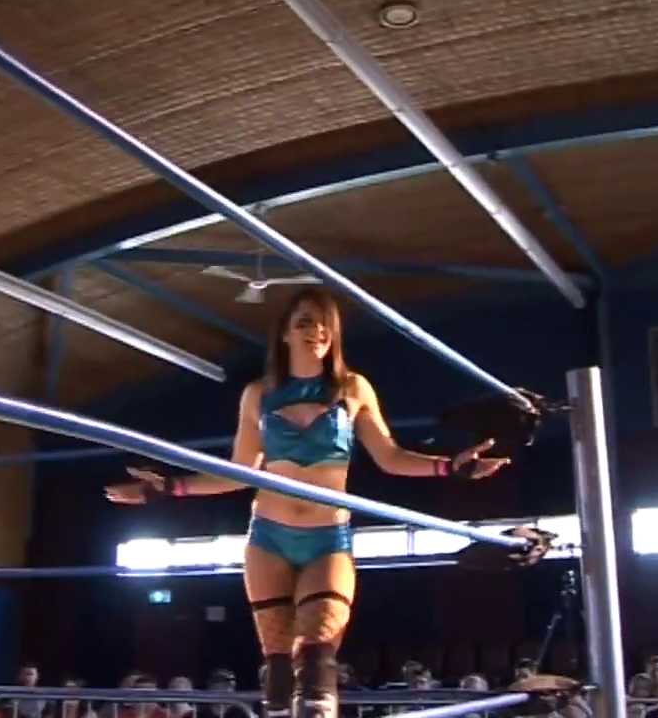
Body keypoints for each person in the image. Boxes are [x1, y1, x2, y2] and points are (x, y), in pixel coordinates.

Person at [106, 288, 511, 718]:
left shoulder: (353, 388)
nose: (316, 331)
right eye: (304, 322)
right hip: (268, 538)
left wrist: (451, 467)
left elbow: (390, 457)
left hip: (327, 538)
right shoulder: (259, 393)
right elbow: (239, 471)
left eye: (324, 324)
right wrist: (166, 488)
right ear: (284, 334)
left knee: (317, 668)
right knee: (279, 677)